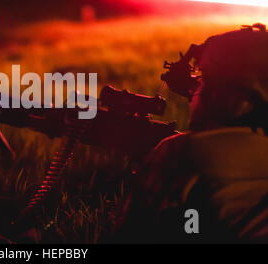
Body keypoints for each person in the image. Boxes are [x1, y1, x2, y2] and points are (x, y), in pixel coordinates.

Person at [115, 23, 268, 243]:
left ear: (226, 96)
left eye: (202, 81)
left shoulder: (179, 153)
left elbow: (131, 234)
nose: (195, 92)